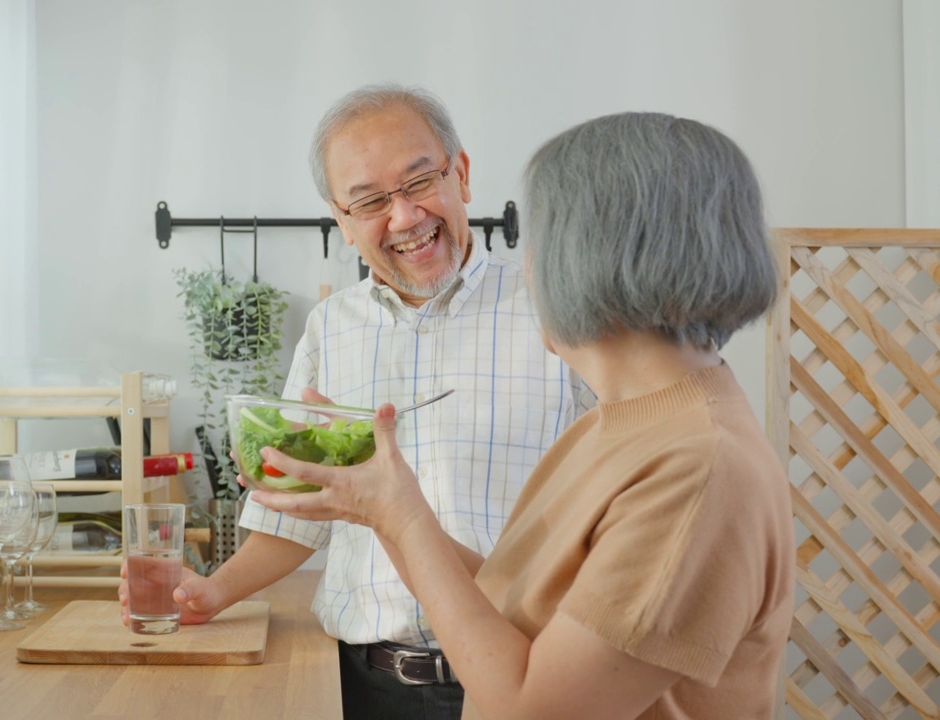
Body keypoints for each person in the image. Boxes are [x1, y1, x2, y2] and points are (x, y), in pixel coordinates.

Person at [251, 112, 794, 719]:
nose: (528, 266)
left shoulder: (696, 468)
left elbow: (534, 710)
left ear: (594, 257)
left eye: (543, 237)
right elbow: (514, 602)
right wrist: (374, 503)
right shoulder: (620, 426)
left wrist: (398, 515)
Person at [120, 84, 584, 719]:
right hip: (364, 689)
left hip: (524, 680)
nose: (403, 217)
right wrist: (209, 592)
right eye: (368, 201)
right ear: (341, 221)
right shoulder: (331, 327)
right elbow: (300, 510)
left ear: (463, 175)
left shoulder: (558, 311)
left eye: (420, 182)